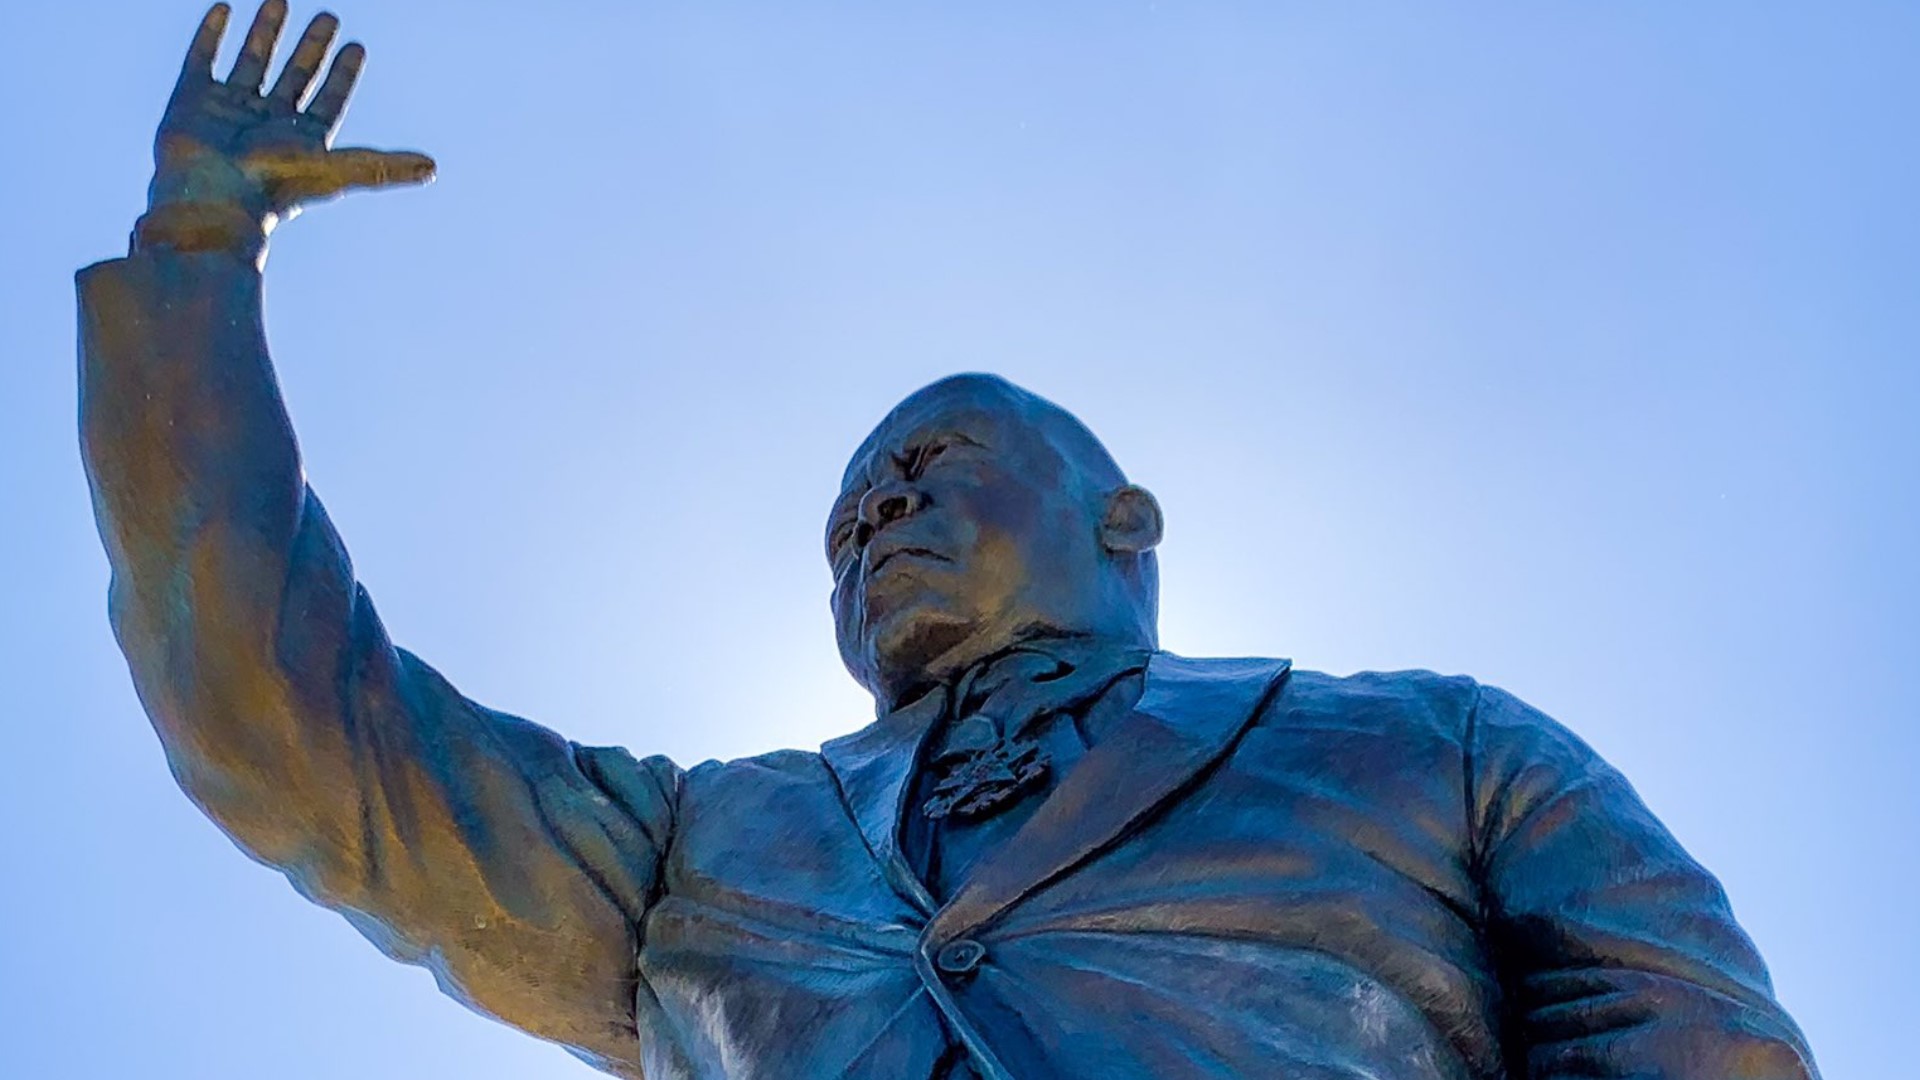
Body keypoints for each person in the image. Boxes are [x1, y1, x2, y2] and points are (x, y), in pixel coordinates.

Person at [77, 5, 1819, 1078]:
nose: (875, 521)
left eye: (927, 467)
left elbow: (1697, 1046)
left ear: (1122, 522)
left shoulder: (1438, 744)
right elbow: (292, 727)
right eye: (844, 520)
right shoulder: (696, 845)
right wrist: (195, 264)